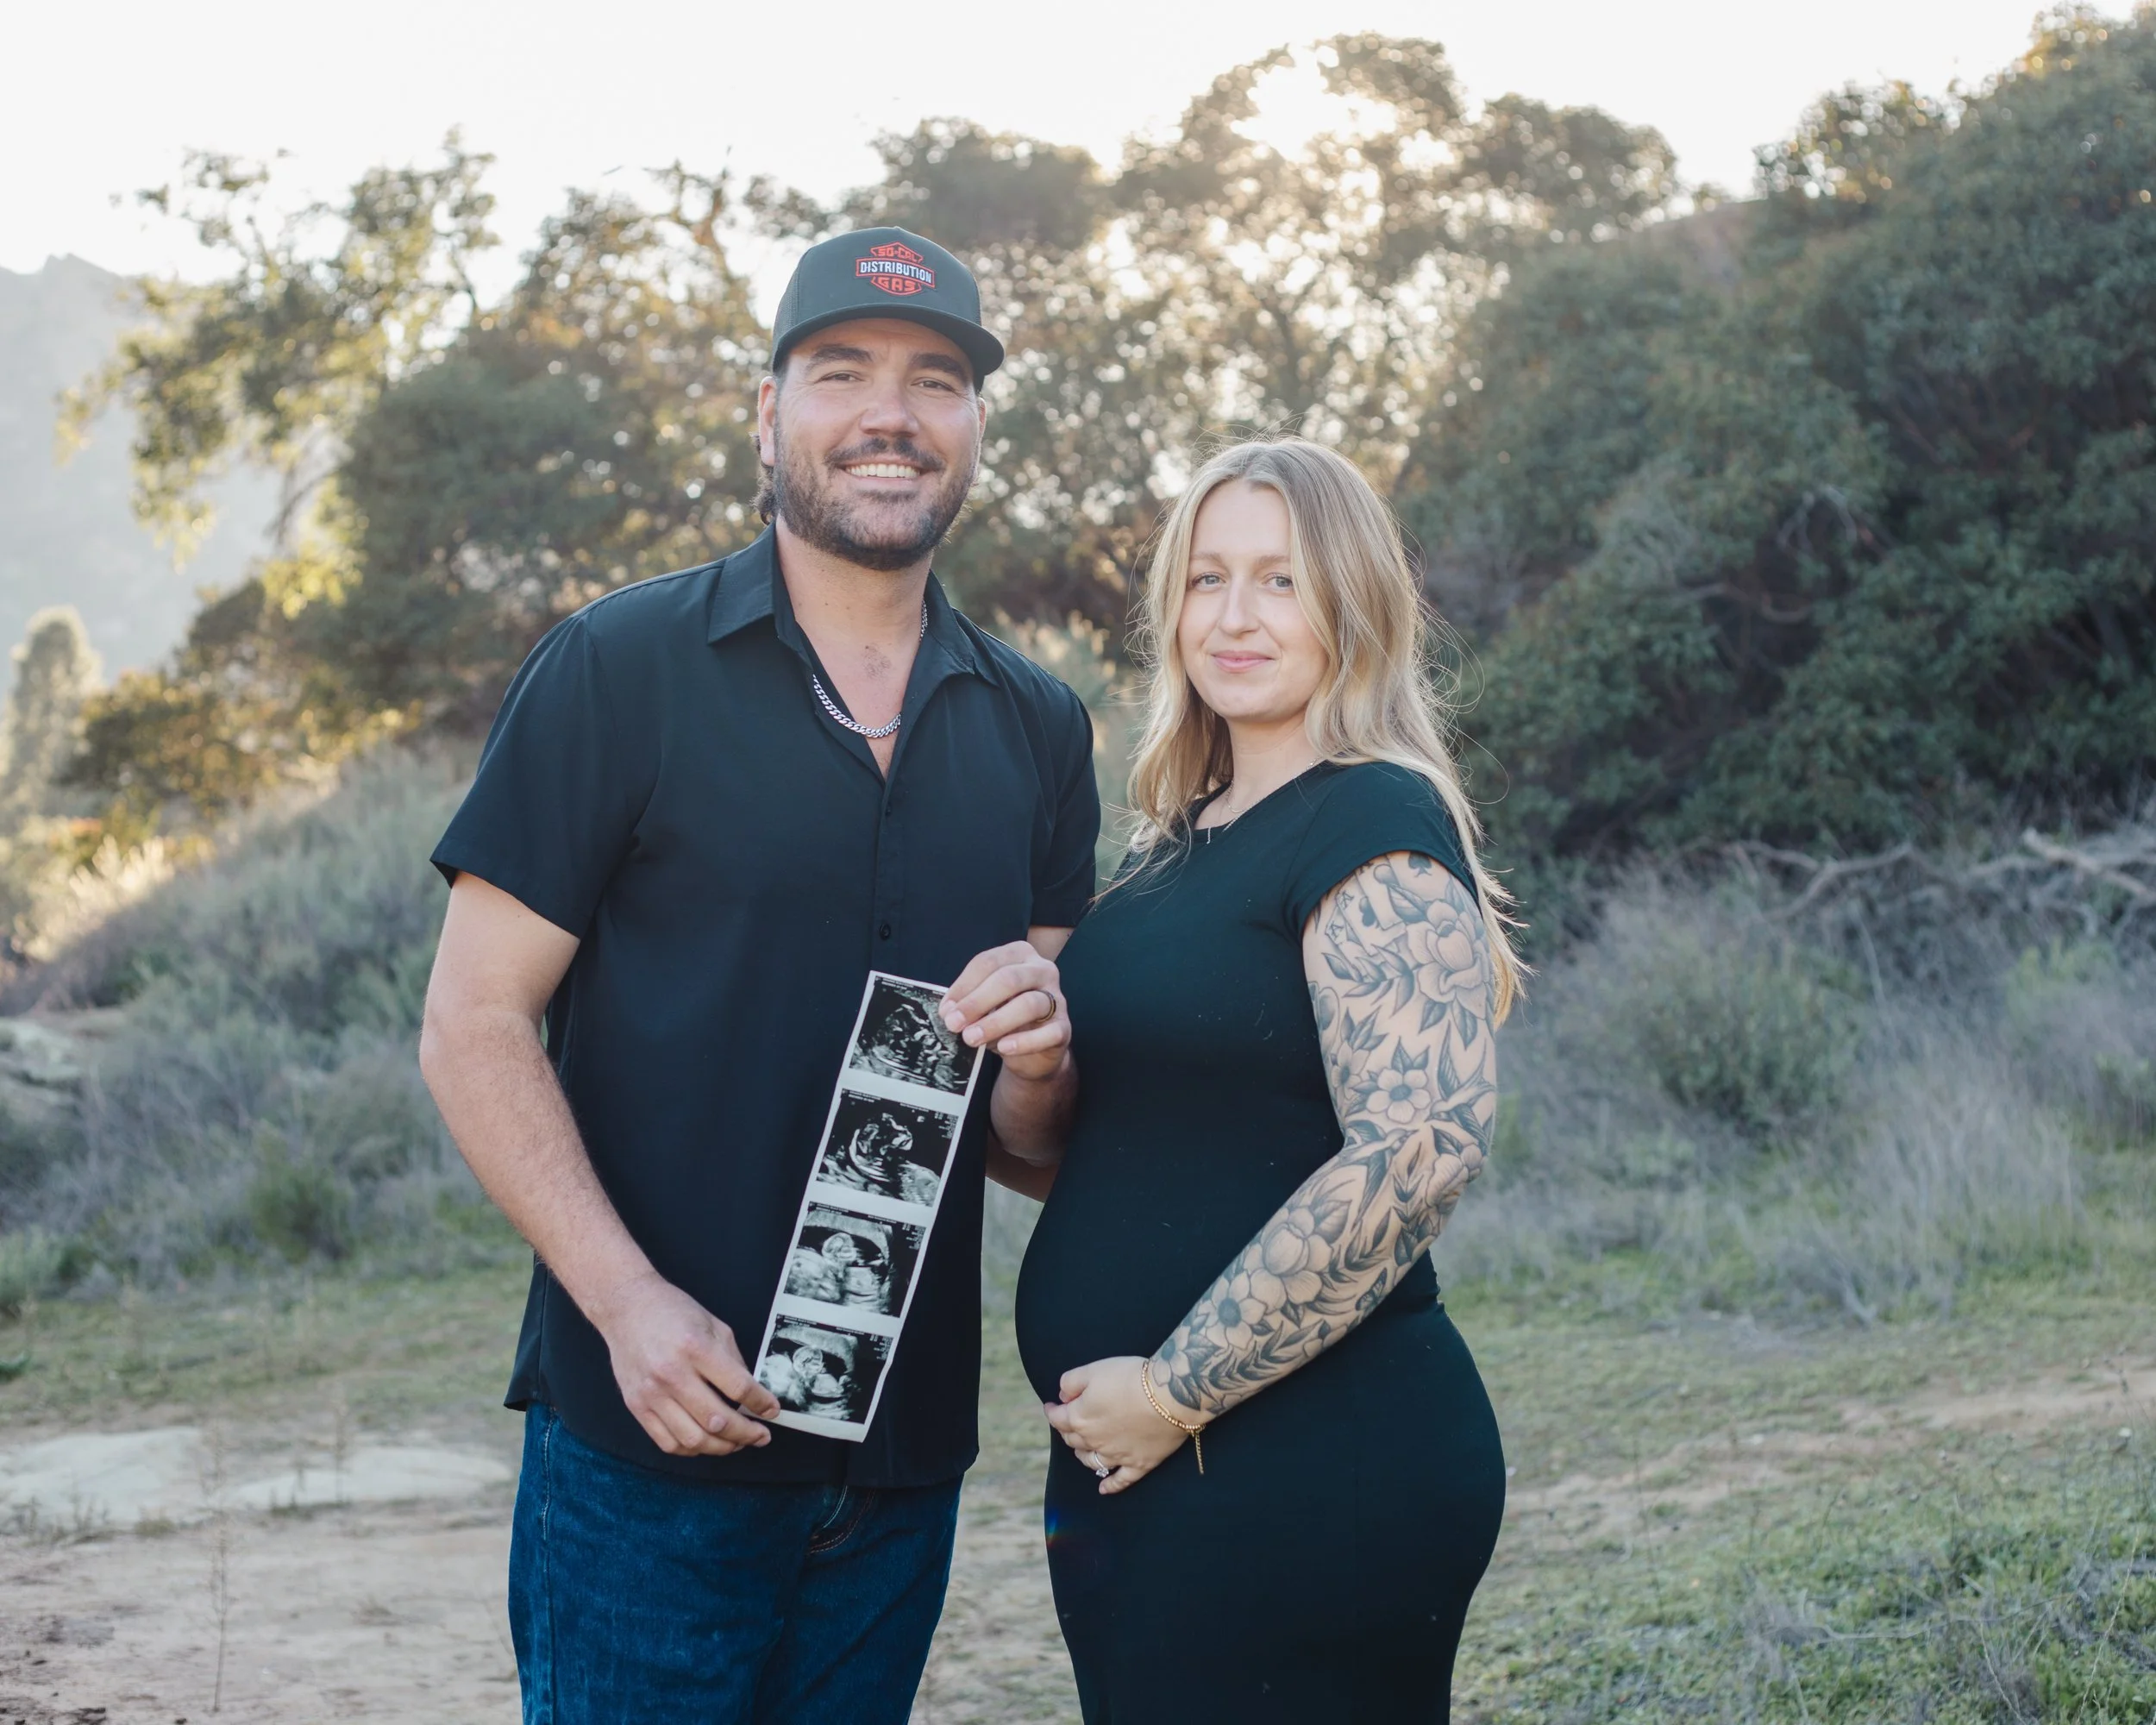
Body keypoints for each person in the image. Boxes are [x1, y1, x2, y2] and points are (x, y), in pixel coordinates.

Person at [418, 225, 1099, 1724]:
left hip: (898, 1465)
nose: (890, 413)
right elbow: (473, 1023)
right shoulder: (619, 667)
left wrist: (1044, 1062)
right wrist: (625, 1305)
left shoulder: (1041, 728)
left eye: (935, 381)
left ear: (977, 425)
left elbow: (1030, 1157)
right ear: (771, 409)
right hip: (650, 1454)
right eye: (840, 370)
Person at [1010, 437, 1526, 1722]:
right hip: (1143, 1467)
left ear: (1354, 604)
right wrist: (1033, 1060)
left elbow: (1422, 1149)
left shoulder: (1371, 823)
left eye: (1283, 582)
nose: (1234, 618)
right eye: (1208, 579)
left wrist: (1175, 1393)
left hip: (1308, 1462)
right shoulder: (1171, 849)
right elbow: (1123, 1149)